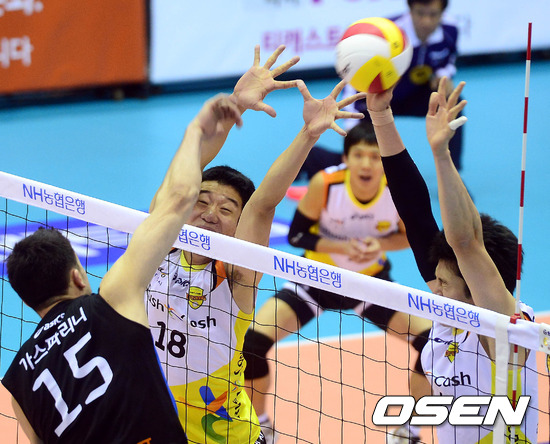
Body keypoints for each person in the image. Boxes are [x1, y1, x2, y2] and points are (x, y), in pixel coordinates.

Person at [145, 44, 367, 444]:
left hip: (227, 437)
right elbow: (184, 174)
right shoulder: (159, 247)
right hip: (154, 427)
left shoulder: (235, 275)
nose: (210, 212)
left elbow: (263, 204)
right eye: (202, 201)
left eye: (227, 208)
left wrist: (309, 134)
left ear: (238, 226)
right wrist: (234, 107)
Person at [0, 93, 245, 443]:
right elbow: (176, 201)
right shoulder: (111, 301)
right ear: (77, 276)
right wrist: (196, 130)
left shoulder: (18, 379)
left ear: (26, 298)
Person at [367, 77, 538, 443]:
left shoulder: (505, 329)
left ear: (476, 286)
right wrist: (381, 117)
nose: (435, 288)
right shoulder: (451, 309)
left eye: (444, 283)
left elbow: (467, 243)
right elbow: (415, 213)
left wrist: (442, 156)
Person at [242, 118, 433, 442]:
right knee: (253, 344)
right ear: (346, 159)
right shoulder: (326, 184)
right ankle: (260, 427)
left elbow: (408, 236)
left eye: (375, 157)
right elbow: (297, 234)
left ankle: (408, 431)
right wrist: (340, 247)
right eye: (359, 155)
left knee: (431, 346)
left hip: (369, 285)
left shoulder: (396, 190)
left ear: (384, 162)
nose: (367, 164)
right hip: (316, 282)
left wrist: (380, 244)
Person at [297, 0, 462, 182]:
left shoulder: (450, 29)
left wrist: (443, 76)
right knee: (367, 160)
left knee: (451, 103)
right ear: (410, 10)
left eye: (433, 14)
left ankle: (452, 175)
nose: (426, 21)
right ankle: (314, 158)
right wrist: (352, 129)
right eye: (420, 13)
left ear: (442, 12)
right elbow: (354, 78)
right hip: (374, 102)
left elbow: (448, 61)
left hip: (413, 96)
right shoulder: (386, 36)